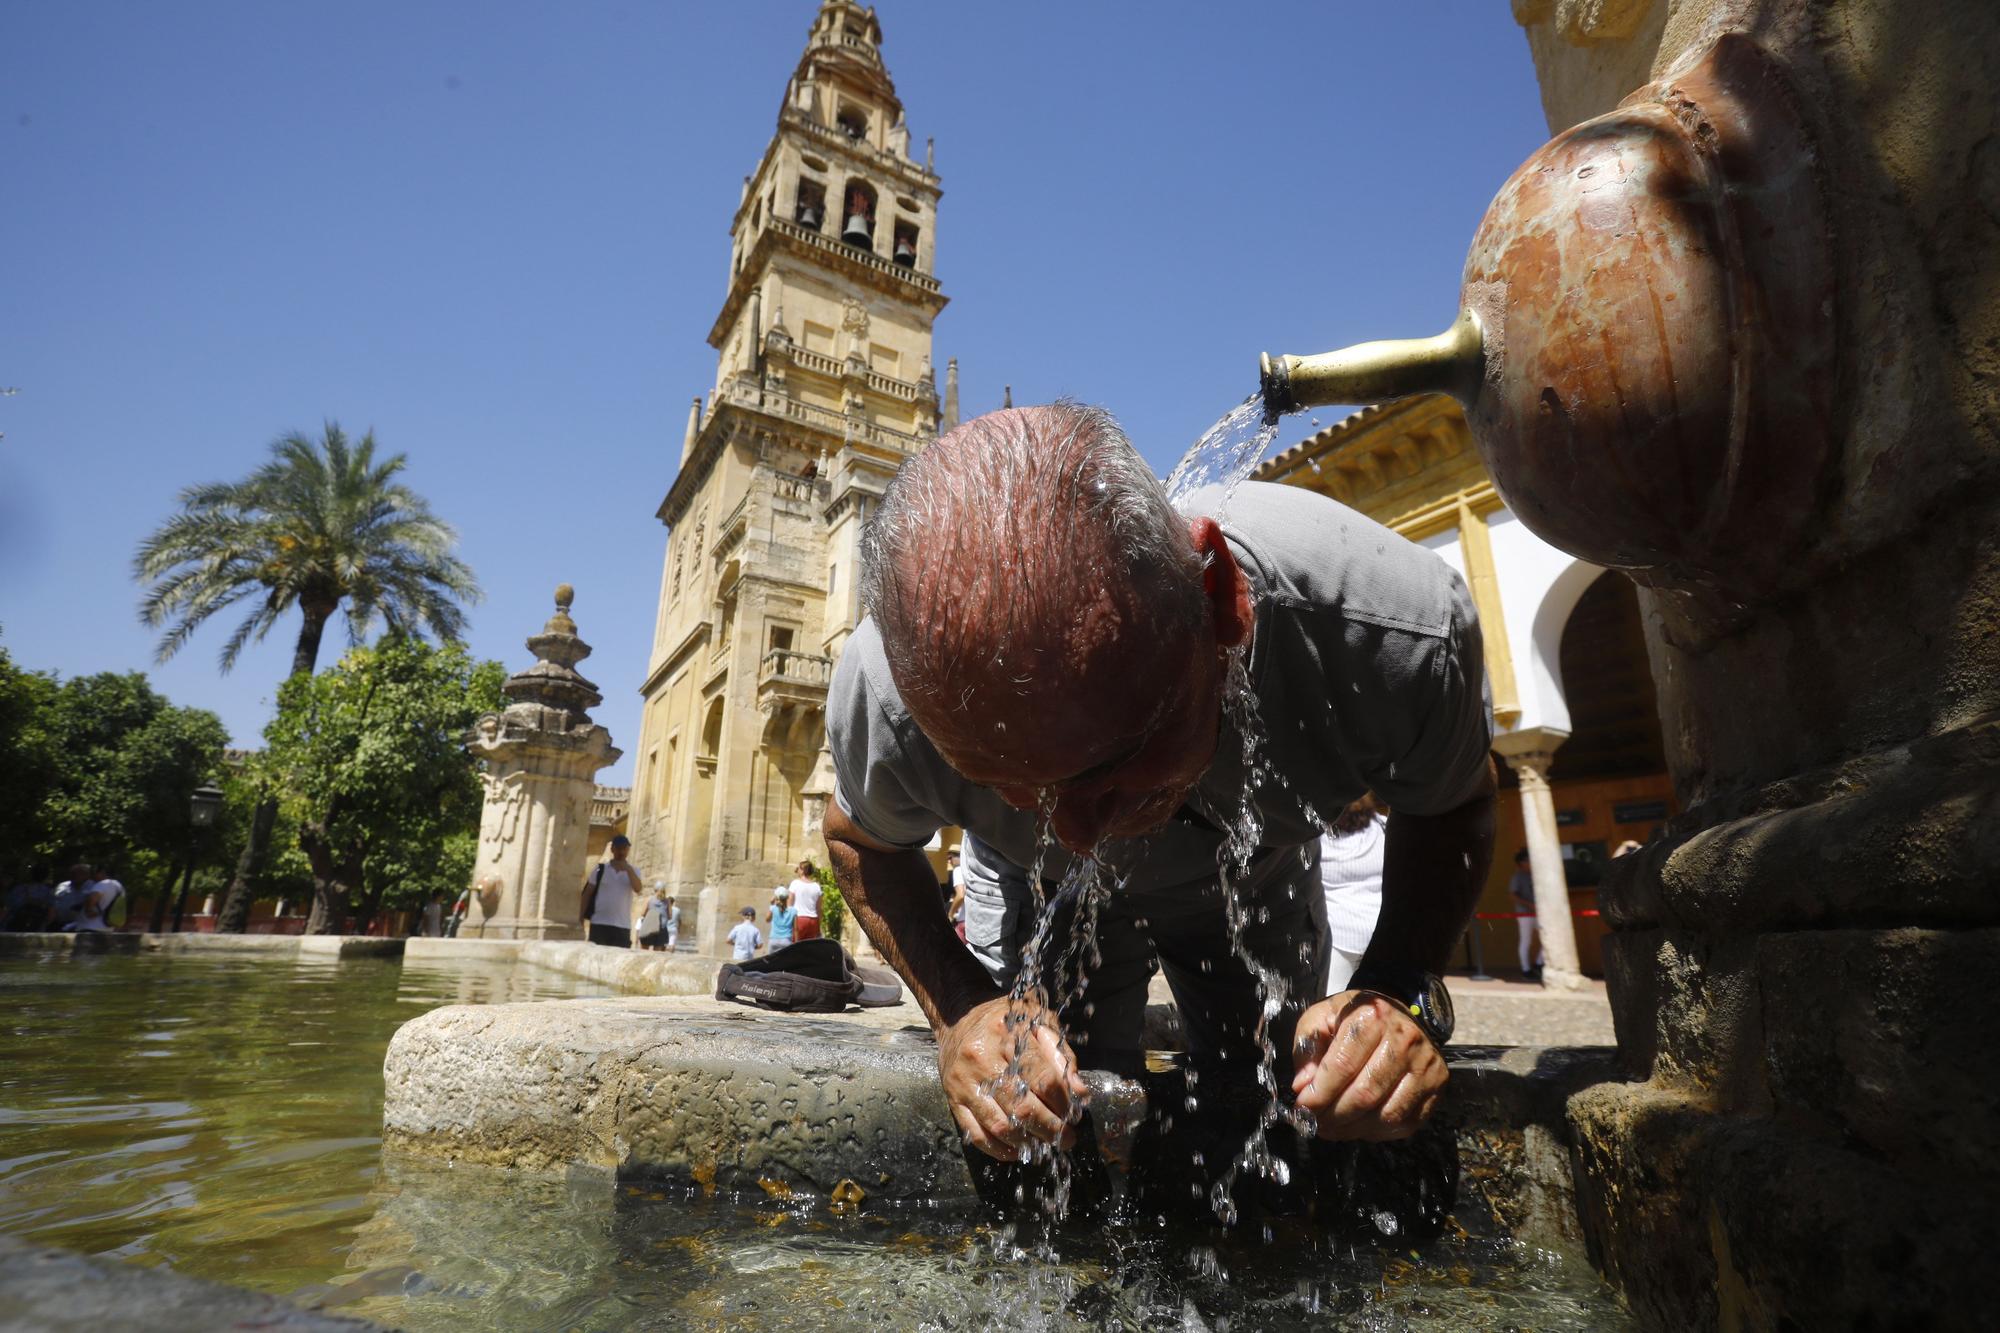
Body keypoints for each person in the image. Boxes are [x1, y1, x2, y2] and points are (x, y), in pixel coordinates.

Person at [822, 403, 1494, 1165]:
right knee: (1044, 1119)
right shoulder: (890, 696)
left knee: (1291, 1104)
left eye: (1111, 764)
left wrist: (1398, 988)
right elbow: (860, 843)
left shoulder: (1383, 632)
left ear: (1220, 602)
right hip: (1042, 895)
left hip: (1254, 877)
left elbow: (1456, 803)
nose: (1080, 835)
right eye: (1015, 788)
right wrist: (961, 1008)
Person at [1319, 795, 1388, 995]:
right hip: (1382, 933)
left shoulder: (1314, 837)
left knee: (1332, 1008)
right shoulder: (1384, 828)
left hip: (1337, 937)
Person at [581, 834, 642, 947]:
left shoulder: (635, 871)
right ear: (612, 849)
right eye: (619, 848)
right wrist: (580, 918)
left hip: (622, 925)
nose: (621, 851)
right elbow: (587, 894)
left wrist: (629, 870)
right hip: (599, 923)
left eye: (624, 848)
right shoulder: (600, 869)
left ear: (628, 850)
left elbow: (638, 889)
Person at [1508, 848, 1543, 980]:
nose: (1530, 862)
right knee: (1526, 941)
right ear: (1521, 863)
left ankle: (1539, 964)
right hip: (1524, 914)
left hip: (1538, 912)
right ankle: (1526, 969)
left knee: (1548, 937)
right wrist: (1529, 905)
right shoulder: (1517, 877)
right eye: (1527, 860)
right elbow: (1513, 895)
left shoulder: (1536, 874)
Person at [788, 860, 823, 941]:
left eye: (799, 869)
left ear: (803, 870)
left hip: (799, 919)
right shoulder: (816, 886)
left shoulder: (795, 884)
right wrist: (818, 925)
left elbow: (790, 904)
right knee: (809, 949)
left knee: (795, 948)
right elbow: (819, 909)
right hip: (813, 921)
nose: (797, 871)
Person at [637, 884, 671, 951]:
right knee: (657, 953)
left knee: (644, 951)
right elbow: (670, 916)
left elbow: (643, 913)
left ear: (655, 890)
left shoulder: (649, 899)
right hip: (661, 929)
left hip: (649, 927)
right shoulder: (667, 901)